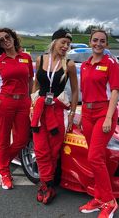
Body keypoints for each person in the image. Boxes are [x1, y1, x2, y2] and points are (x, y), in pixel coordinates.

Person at [31, 29, 78, 204]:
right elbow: (36, 84)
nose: (65, 46)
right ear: (54, 42)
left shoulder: (70, 65)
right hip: (40, 111)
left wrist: (72, 113)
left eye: (68, 44)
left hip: (58, 111)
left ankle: (48, 185)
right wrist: (32, 105)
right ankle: (46, 185)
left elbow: (75, 92)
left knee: (53, 151)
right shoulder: (40, 60)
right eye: (63, 42)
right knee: (41, 149)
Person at [79, 29, 119, 218]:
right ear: (90, 42)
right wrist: (81, 113)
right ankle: (99, 197)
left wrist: (108, 117)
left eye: (102, 41)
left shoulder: (110, 63)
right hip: (87, 113)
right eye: (95, 40)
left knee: (94, 157)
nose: (98, 43)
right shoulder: (86, 64)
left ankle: (110, 202)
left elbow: (115, 91)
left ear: (107, 44)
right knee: (97, 157)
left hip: (104, 113)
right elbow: (84, 92)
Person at [0, 27, 34, 190]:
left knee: (22, 139)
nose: (5, 40)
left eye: (7, 37)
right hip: (5, 103)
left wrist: (29, 98)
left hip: (23, 103)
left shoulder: (26, 58)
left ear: (13, 38)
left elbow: (30, 81)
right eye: (1, 40)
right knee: (4, 140)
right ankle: (4, 173)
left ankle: (1, 163)